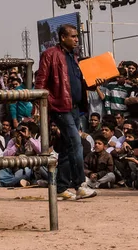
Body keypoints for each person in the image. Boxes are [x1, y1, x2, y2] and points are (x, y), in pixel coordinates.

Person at [35, 24, 97, 201]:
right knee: (76, 143)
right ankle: (79, 185)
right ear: (63, 37)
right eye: (73, 36)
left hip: (75, 107)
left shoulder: (74, 57)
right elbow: (40, 82)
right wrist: (39, 106)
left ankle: (61, 188)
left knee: (68, 146)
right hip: (60, 107)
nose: (77, 39)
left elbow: (79, 82)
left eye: (77, 36)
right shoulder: (49, 54)